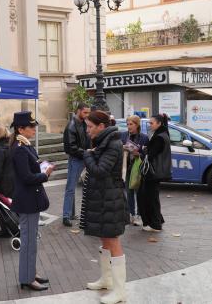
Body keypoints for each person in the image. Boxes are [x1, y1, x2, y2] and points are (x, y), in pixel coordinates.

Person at [83, 110, 128, 304]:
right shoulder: (103, 142)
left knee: (113, 241)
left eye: (90, 127)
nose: (87, 130)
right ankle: (106, 280)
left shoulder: (112, 144)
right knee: (104, 239)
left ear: (101, 126)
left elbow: (100, 171)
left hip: (111, 199)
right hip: (103, 198)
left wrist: (88, 155)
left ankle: (120, 291)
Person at [10, 111, 54, 291]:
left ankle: (31, 272)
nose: (35, 129)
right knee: (28, 241)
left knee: (32, 240)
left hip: (31, 199)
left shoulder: (24, 145)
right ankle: (27, 279)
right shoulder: (20, 148)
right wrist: (44, 174)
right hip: (27, 200)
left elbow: (30, 168)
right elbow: (27, 177)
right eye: (31, 127)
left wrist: (41, 168)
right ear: (21, 129)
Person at [138, 113, 172, 233]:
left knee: (149, 198)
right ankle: (158, 220)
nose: (149, 125)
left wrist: (142, 151)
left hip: (153, 173)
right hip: (157, 172)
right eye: (149, 122)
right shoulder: (163, 133)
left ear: (159, 123)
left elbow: (150, 155)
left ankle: (155, 224)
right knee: (152, 197)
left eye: (152, 123)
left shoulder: (158, 137)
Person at [62, 102, 91, 227]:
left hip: (85, 157)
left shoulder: (84, 123)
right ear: (78, 111)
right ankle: (66, 216)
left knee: (73, 187)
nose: (87, 115)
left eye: (88, 112)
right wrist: (86, 152)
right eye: (85, 112)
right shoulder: (71, 126)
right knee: (70, 188)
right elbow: (70, 148)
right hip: (77, 159)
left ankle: (71, 214)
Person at [120, 115, 149, 226]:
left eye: (131, 124)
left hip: (138, 168)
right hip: (126, 167)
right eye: (127, 124)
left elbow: (147, 153)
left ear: (137, 125)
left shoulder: (144, 137)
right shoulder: (123, 135)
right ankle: (131, 214)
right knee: (129, 191)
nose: (129, 126)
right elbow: (118, 148)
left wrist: (139, 154)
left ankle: (139, 215)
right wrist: (122, 147)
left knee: (139, 192)